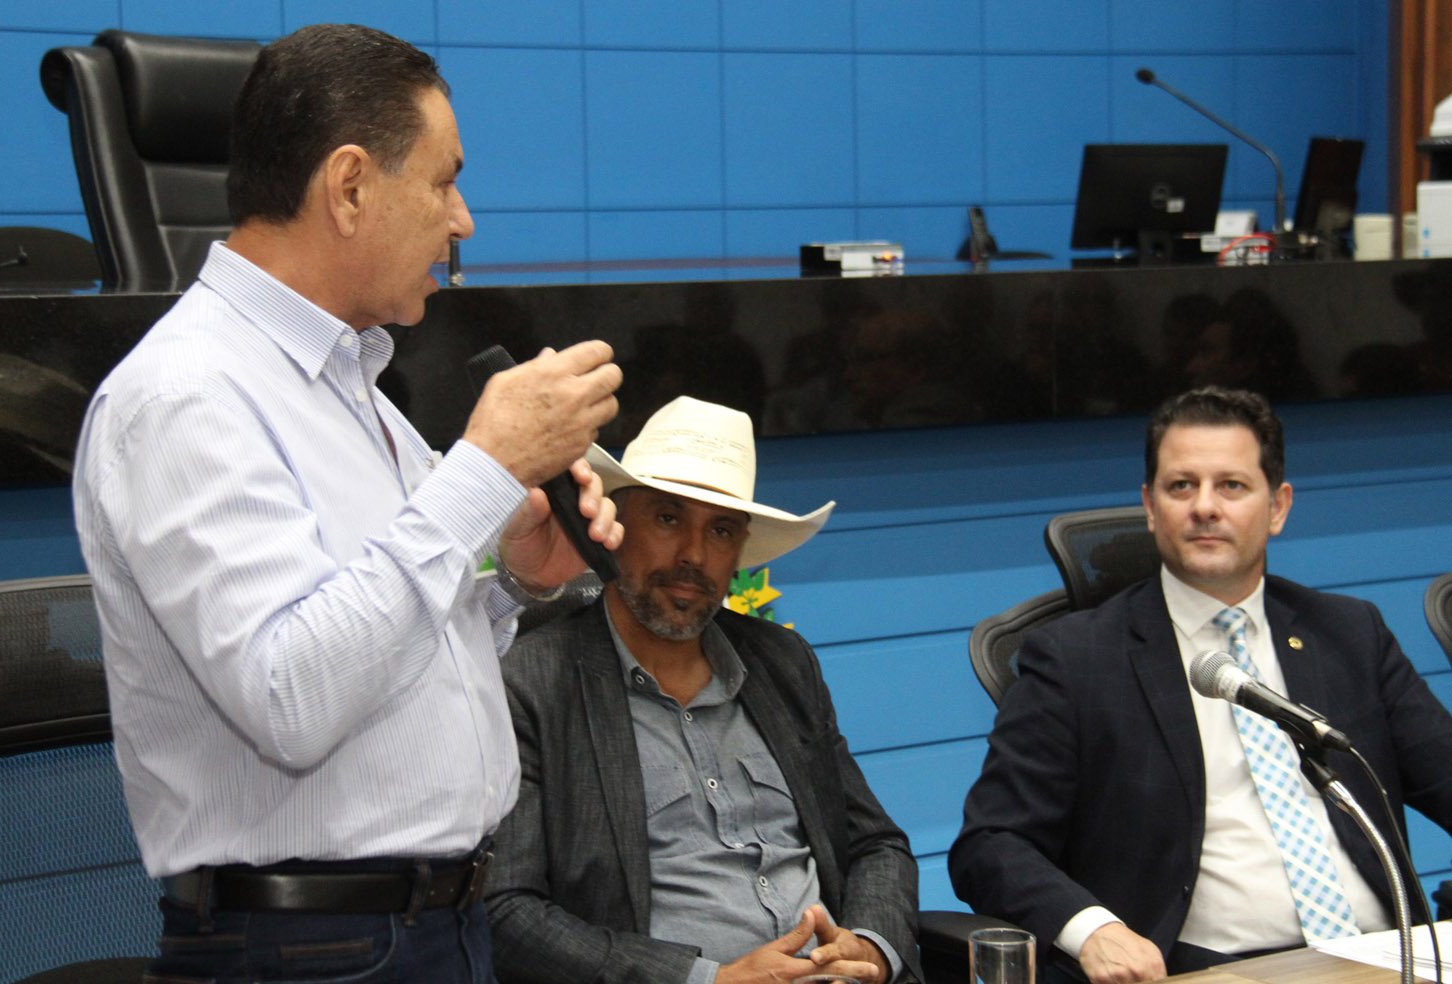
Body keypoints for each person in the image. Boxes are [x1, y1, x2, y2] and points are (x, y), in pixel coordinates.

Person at [71, 23, 622, 983]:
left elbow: (387, 646)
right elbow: (291, 695)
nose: (463, 221)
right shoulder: (185, 396)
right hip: (309, 949)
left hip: (434, 927)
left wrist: (511, 577)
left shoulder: (350, 382)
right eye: (443, 182)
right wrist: (483, 470)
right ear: (352, 186)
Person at [949, 386, 1452, 984]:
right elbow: (991, 842)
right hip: (1209, 969)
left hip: (1385, 957)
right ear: (1150, 506)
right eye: (1181, 486)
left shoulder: (1348, 632)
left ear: (1278, 507)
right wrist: (1093, 930)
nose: (1204, 507)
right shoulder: (1077, 658)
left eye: (1231, 486)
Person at [483, 395, 923, 984]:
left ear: (738, 551)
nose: (693, 554)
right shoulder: (535, 681)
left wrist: (868, 947)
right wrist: (707, 980)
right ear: (614, 527)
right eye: (668, 519)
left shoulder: (781, 664)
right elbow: (508, 913)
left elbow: (877, 844)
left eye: (720, 530)